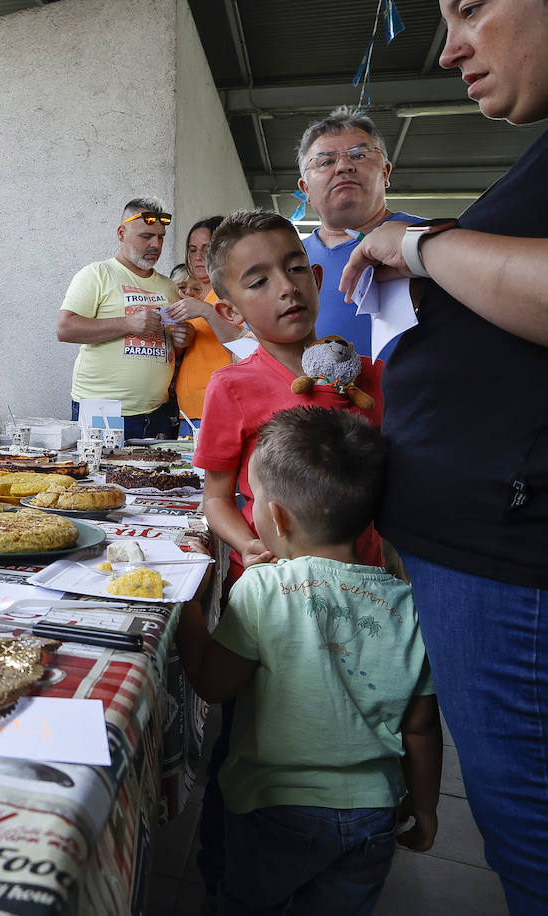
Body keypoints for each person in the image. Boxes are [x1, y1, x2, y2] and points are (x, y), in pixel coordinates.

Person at [337, 2, 548, 908]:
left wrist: (419, 245)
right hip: (482, 549)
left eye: (472, 7)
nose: (451, 45)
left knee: (533, 837)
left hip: (514, 560)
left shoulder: (417, 231)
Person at [190, 208, 387, 906]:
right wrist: (245, 544)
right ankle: (228, 869)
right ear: (230, 307)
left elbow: (384, 496)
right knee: (253, 737)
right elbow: (217, 497)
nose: (285, 287)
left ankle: (347, 837)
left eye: (294, 267)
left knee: (351, 724)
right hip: (271, 601)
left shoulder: (366, 376)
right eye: (258, 279)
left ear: (319, 273)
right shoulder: (233, 388)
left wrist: (388, 565)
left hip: (360, 599)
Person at [177, 406, 441, 915]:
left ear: (275, 517)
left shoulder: (262, 587)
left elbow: (212, 682)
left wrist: (188, 602)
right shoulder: (409, 604)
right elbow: (422, 727)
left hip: (272, 806)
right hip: (373, 812)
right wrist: (425, 804)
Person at [55, 197, 193, 438]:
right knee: (101, 476)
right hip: (103, 411)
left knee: (156, 476)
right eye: (146, 236)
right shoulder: (97, 274)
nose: (156, 245)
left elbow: (172, 347)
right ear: (121, 233)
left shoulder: (169, 287)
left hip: (157, 412)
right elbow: (65, 329)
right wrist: (128, 323)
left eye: (160, 237)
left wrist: (182, 338)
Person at [298, 106, 419, 359]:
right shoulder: (289, 261)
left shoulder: (430, 238)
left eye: (359, 155)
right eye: (326, 161)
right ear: (305, 189)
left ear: (386, 173)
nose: (343, 167)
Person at [167, 216, 244, 435]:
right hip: (188, 414)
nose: (198, 257)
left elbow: (246, 348)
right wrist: (179, 342)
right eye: (192, 250)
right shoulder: (194, 296)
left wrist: (207, 312)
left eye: (206, 248)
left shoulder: (237, 292)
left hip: (221, 412)